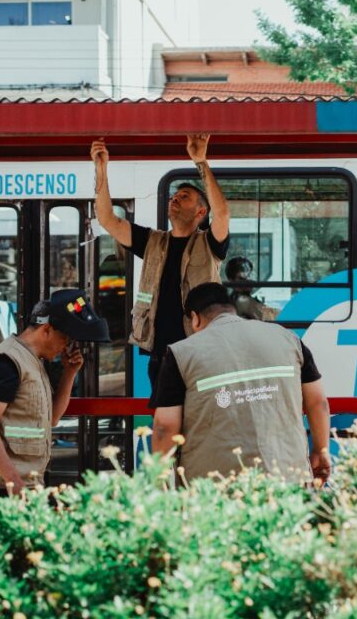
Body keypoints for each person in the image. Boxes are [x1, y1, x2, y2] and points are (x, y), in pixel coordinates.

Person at [149, 282, 331, 484]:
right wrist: (321, 450)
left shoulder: (180, 353)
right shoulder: (288, 338)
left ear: (195, 318)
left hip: (212, 490)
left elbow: (165, 426)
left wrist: (160, 481)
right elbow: (318, 402)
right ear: (232, 309)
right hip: (287, 478)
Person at [91, 134, 229, 389]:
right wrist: (101, 170)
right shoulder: (152, 241)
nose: (174, 199)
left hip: (199, 353)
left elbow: (222, 212)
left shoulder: (209, 243)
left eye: (184, 196)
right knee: (165, 423)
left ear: (201, 212)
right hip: (161, 355)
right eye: (174, 196)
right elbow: (107, 219)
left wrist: (201, 162)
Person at [0, 289, 109, 499]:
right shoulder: (7, 362)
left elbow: (53, 418)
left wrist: (69, 373)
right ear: (46, 329)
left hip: (22, 483)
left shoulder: (32, 363)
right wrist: (13, 480)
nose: (67, 346)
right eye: (65, 338)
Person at [223, 256, 279, 321]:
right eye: (241, 279)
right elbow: (274, 316)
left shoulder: (235, 299)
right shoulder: (242, 301)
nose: (248, 281)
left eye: (249, 276)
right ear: (231, 281)